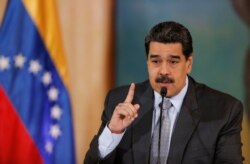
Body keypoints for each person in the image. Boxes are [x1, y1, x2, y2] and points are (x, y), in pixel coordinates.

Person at [84, 21, 243, 164]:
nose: (164, 71)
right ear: (147, 62)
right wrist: (114, 132)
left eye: (173, 61)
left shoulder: (223, 110)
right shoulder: (119, 101)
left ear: (188, 64)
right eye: (156, 61)